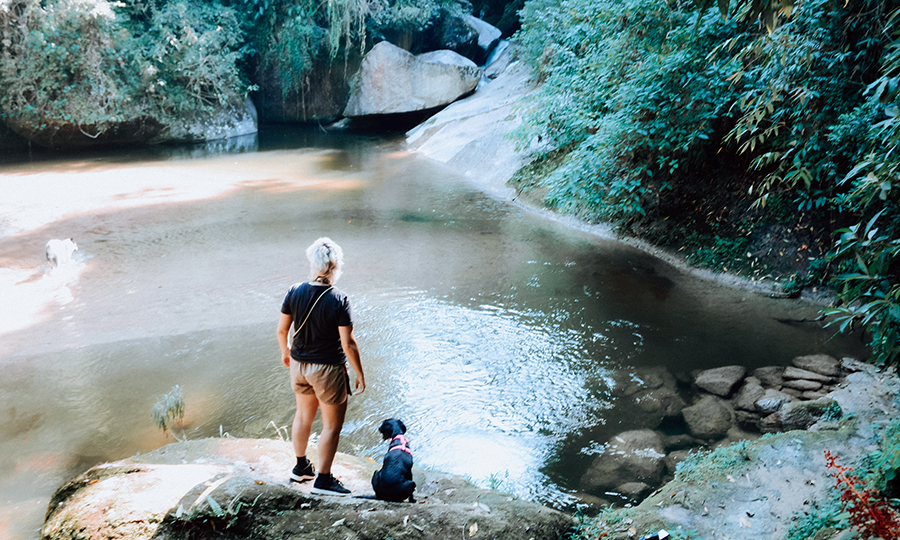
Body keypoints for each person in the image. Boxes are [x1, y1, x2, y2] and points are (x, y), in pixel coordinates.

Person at [276, 237, 365, 496]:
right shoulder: (339, 299)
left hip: (299, 365)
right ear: (335, 266)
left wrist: (286, 353)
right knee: (331, 426)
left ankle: (301, 466)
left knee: (303, 416)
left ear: (312, 264)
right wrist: (360, 373)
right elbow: (348, 344)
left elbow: (282, 330)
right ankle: (324, 480)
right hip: (327, 370)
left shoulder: (294, 291)